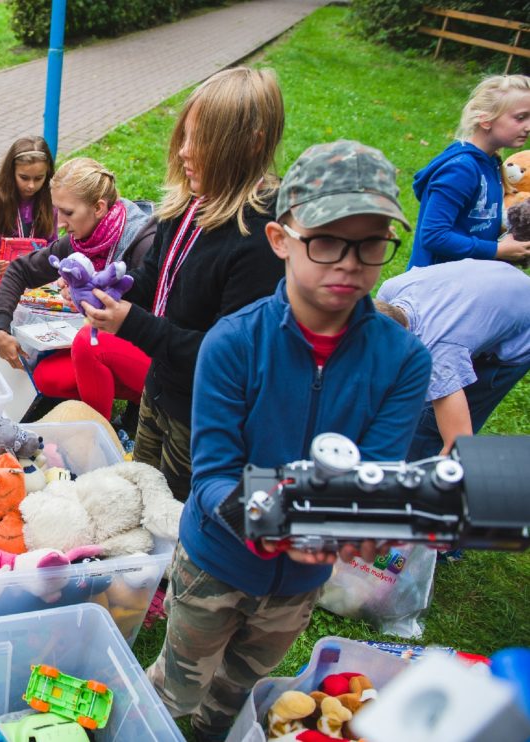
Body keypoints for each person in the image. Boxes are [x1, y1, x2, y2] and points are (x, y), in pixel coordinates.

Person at [148, 140, 431, 741]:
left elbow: (373, 474)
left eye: (373, 241)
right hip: (215, 566)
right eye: (327, 240)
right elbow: (213, 481)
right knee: (178, 685)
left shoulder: (402, 359)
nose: (350, 263)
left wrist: (365, 520)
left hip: (298, 586)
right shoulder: (233, 344)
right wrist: (288, 518)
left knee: (235, 694)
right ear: (280, 239)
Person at [84, 67, 287, 501]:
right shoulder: (190, 204)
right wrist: (113, 288)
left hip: (200, 415)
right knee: (139, 492)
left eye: (202, 141)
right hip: (159, 390)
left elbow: (224, 356)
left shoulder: (259, 240)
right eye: (184, 136)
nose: (184, 152)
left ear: (249, 144)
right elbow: (157, 277)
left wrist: (131, 323)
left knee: (173, 513)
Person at [0, 157, 156, 421]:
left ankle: (97, 432)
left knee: (88, 342)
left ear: (99, 208)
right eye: (58, 211)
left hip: (158, 360)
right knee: (47, 377)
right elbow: (19, 270)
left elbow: (156, 320)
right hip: (112, 346)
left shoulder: (145, 244)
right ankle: (117, 399)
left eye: (68, 213)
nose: (61, 223)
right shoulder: (81, 240)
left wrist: (89, 300)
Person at [376, 259, 530, 459]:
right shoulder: (391, 290)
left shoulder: (440, 355)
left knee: (428, 428)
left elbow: (458, 441)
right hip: (501, 277)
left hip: (521, 331)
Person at [408, 74, 530, 268]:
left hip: (467, 282)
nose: (528, 127)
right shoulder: (461, 169)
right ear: (485, 120)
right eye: (520, 118)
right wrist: (497, 250)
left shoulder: (492, 164)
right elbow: (433, 236)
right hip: (433, 287)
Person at [0, 136, 58, 328]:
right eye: (24, 177)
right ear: (11, 173)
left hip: (31, 291)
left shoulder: (51, 208)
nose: (31, 185)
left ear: (48, 175)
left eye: (38, 178)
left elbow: (53, 248)